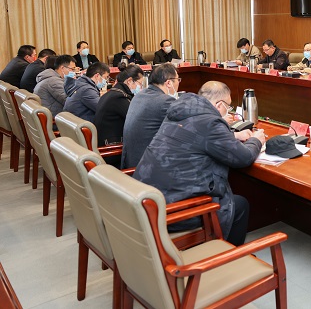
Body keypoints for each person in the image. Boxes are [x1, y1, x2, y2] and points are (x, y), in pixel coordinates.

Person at [134, 81, 266, 246]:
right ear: (219, 105)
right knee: (239, 205)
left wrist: (233, 136)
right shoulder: (210, 122)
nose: (228, 111)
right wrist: (256, 140)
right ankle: (228, 254)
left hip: (147, 200)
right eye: (228, 106)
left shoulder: (178, 113)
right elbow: (243, 157)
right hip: (173, 211)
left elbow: (195, 137)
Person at [121, 63, 180, 169]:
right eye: (178, 79)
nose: (179, 83)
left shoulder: (140, 95)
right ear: (169, 83)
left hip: (130, 161)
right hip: (145, 167)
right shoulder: (165, 101)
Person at [94, 64, 144, 153]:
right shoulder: (119, 98)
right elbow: (137, 122)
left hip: (105, 143)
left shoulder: (112, 93)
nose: (140, 87)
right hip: (111, 149)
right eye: (140, 84)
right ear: (129, 81)